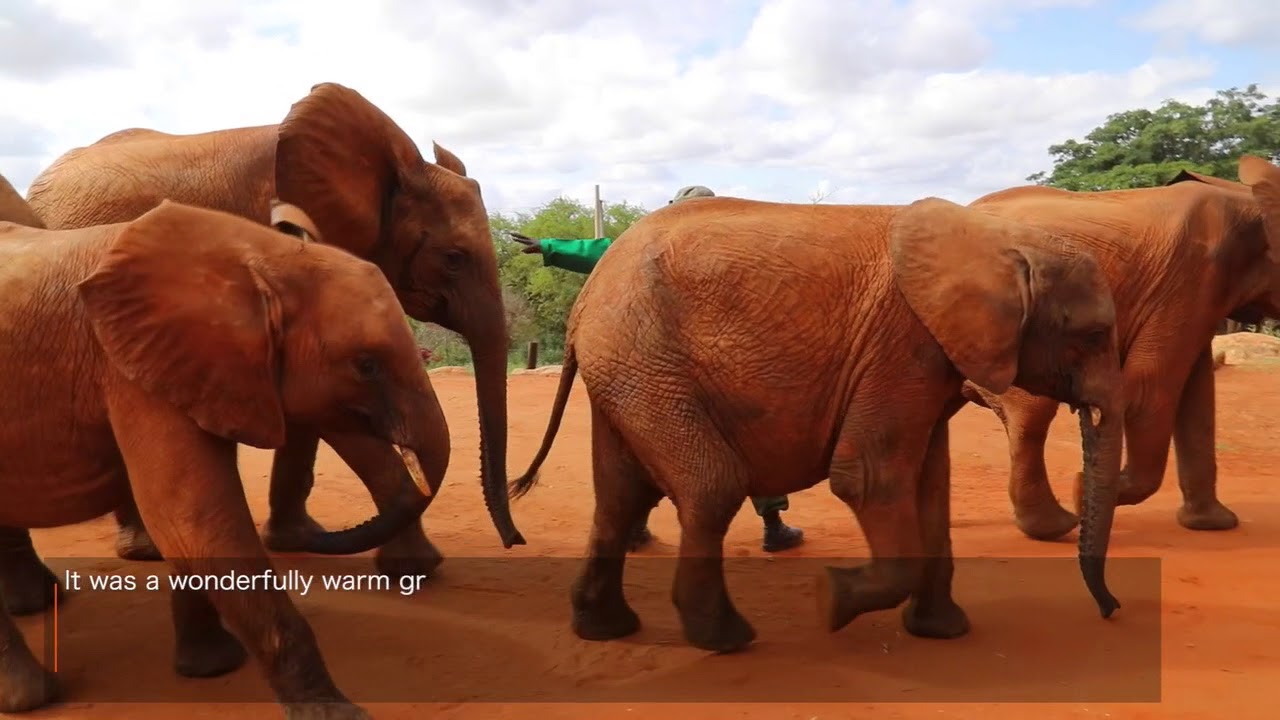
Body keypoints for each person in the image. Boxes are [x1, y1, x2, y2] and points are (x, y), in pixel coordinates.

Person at [506, 185, 805, 553]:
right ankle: (773, 524)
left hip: (670, 367)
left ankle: (634, 525)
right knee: (756, 440)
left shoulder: (661, 245)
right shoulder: (737, 249)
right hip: (728, 366)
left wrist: (551, 247)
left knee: (652, 444)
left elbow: (609, 252)